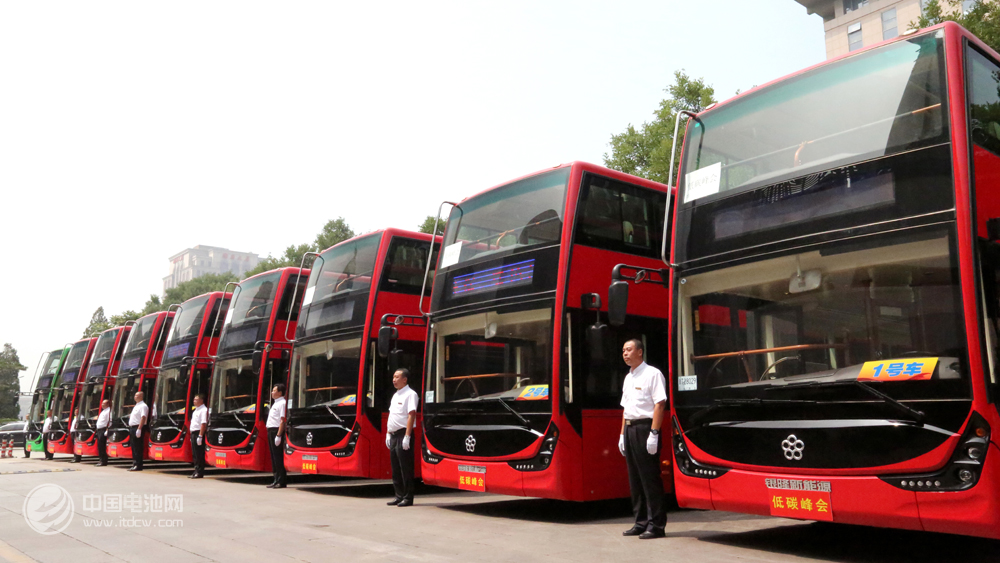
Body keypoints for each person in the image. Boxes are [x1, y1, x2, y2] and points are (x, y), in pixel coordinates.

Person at [618, 338, 668, 540]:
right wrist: (622, 434)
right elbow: (625, 409)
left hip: (646, 428)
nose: (625, 353)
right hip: (630, 429)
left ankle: (656, 525)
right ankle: (640, 522)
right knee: (635, 479)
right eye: (623, 350)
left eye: (629, 349)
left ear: (640, 352)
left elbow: (660, 404)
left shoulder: (652, 374)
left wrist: (654, 434)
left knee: (650, 479)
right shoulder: (628, 377)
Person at [386, 368, 418, 507]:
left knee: (406, 467)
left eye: (397, 377)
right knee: (395, 468)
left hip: (403, 434)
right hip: (393, 435)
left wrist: (407, 436)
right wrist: (388, 433)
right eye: (393, 377)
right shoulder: (395, 395)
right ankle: (398, 496)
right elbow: (392, 415)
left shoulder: (411, 394)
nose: (394, 379)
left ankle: (408, 497)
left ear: (404, 379)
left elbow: (411, 415)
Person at [266, 384, 287, 489]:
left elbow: (282, 420)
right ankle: (275, 479)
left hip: (276, 431)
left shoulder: (282, 403)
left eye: (274, 391)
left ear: (280, 392)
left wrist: (278, 435)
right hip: (270, 430)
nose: (272, 392)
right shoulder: (275, 403)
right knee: (273, 457)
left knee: (278, 457)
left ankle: (281, 481)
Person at [128, 391, 149, 472]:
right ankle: (135, 463)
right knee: (133, 447)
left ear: (141, 396)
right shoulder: (136, 405)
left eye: (137, 395)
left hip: (137, 427)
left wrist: (139, 429)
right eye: (135, 395)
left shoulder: (143, 406)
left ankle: (138, 464)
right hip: (132, 427)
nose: (135, 396)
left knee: (138, 447)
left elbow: (143, 417)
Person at [189, 394, 208, 479]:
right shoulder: (196, 410)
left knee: (199, 453)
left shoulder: (203, 410)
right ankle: (196, 470)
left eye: (196, 400)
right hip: (193, 433)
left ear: (201, 401)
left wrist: (200, 436)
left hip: (198, 433)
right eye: (194, 399)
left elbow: (203, 423)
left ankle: (200, 472)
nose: (194, 401)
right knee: (195, 454)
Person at [95, 399, 111, 466]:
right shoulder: (103, 411)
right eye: (102, 403)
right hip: (99, 430)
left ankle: (103, 461)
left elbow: (109, 421)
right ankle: (101, 460)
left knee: (102, 446)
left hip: (103, 429)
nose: (102, 405)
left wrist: (107, 430)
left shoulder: (109, 411)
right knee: (99, 446)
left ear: (107, 404)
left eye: (104, 403)